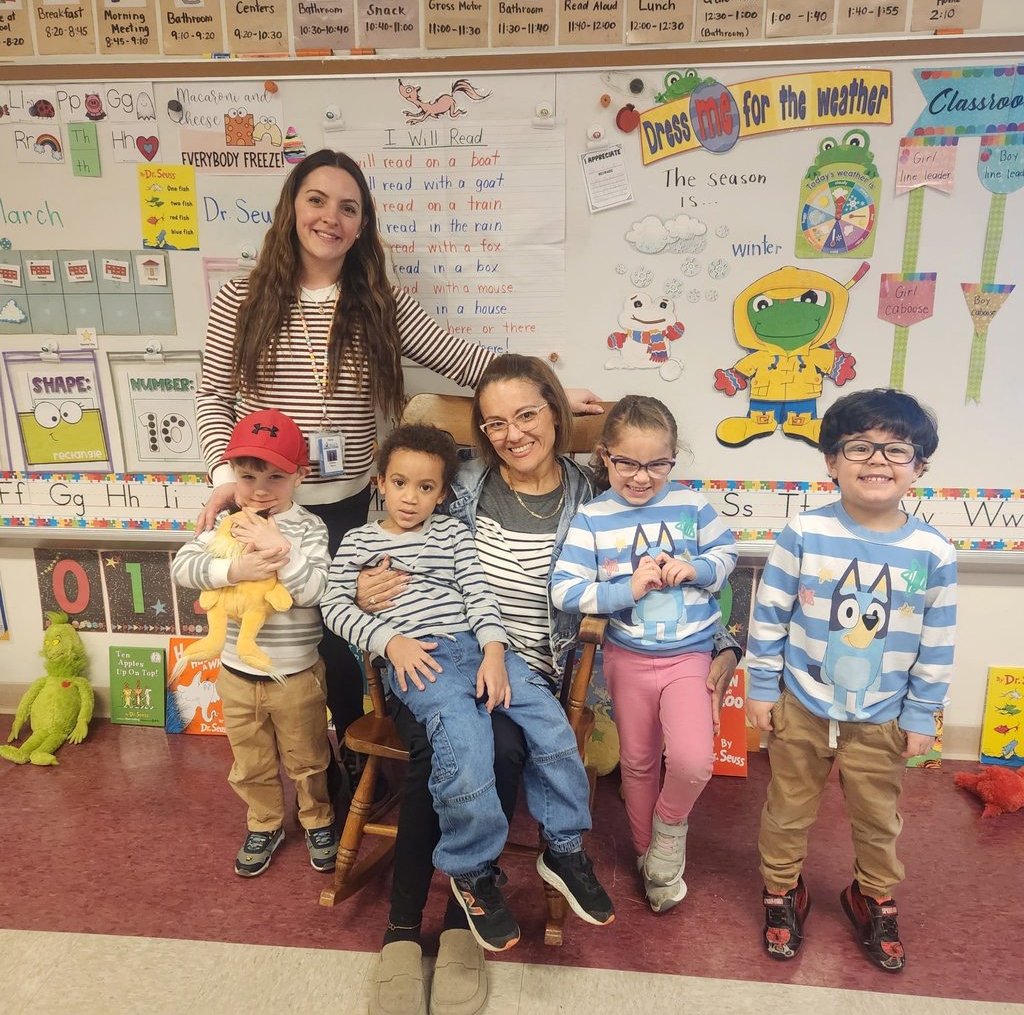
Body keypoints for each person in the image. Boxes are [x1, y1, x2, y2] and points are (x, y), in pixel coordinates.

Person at [355, 355, 741, 1015]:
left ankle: (460, 928)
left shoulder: (598, 497)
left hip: (532, 669)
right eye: (496, 421)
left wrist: (724, 645)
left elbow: (683, 577)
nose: (513, 433)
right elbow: (386, 533)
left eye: (528, 414)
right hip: (438, 654)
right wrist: (368, 585)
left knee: (504, 750)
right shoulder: (458, 481)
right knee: (439, 754)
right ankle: (401, 931)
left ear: (556, 414)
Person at [193, 148, 601, 761]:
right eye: (317, 200)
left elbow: (457, 355)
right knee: (288, 641)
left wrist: (544, 392)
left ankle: (360, 761)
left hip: (357, 504)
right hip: (272, 506)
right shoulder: (240, 300)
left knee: (348, 639)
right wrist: (225, 476)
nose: (331, 217)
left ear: (362, 225)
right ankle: (317, 778)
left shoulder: (377, 303)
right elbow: (212, 396)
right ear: (291, 209)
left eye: (348, 207)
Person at [321, 423, 614, 954]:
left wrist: (497, 652)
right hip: (419, 658)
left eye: (427, 487)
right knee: (466, 740)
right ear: (379, 483)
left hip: (478, 649)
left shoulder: (454, 535)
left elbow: (480, 597)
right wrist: (390, 643)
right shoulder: (360, 542)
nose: (412, 498)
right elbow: (335, 607)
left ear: (443, 493)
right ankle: (471, 866)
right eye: (401, 484)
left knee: (551, 726)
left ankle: (565, 847)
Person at [745, 388, 956, 971]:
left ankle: (872, 894)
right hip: (801, 705)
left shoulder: (932, 551)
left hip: (884, 714)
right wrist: (762, 688)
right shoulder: (803, 534)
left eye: (896, 450)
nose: (877, 461)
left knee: (877, 816)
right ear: (832, 462)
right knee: (787, 807)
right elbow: (769, 616)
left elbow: (937, 644)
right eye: (859, 447)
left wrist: (922, 714)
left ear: (920, 468)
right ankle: (782, 889)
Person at [551, 396, 738, 914]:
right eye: (627, 463)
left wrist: (696, 569)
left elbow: (727, 556)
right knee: (636, 762)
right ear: (605, 456)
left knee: (693, 760)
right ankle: (649, 859)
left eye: (657, 463)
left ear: (674, 458)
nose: (641, 477)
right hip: (627, 659)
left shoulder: (694, 507)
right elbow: (563, 590)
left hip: (690, 657)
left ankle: (669, 831)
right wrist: (621, 591)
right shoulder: (591, 518)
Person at [171, 409, 338, 878]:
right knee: (250, 761)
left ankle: (317, 819)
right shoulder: (225, 523)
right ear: (232, 477)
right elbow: (183, 568)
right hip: (236, 675)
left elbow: (315, 591)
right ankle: (264, 822)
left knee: (308, 758)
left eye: (276, 477)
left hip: (296, 674)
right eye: (248, 476)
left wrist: (279, 550)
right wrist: (233, 571)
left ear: (299, 477)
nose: (260, 488)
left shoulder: (308, 528)